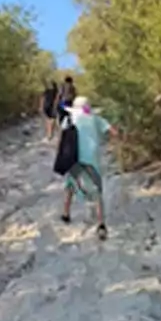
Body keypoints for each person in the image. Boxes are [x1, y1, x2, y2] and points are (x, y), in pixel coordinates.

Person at [60, 96, 119, 240]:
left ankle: (66, 214)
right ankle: (101, 224)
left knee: (70, 184)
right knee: (96, 190)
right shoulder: (96, 119)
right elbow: (114, 132)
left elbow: (62, 140)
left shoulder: (68, 119)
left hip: (74, 158)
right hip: (92, 158)